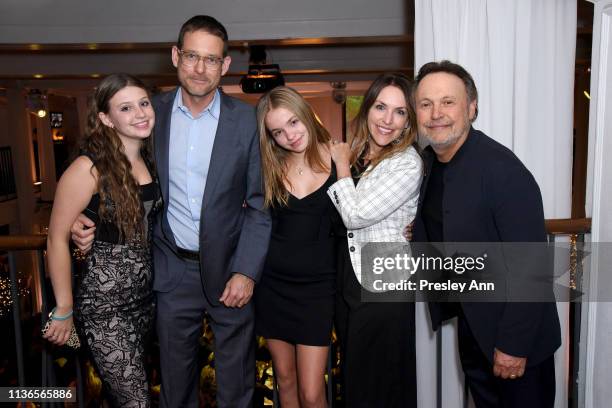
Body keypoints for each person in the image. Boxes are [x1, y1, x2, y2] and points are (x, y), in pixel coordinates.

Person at [71, 15, 271, 408]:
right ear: (176, 56)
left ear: (225, 66)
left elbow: (259, 204)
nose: (200, 68)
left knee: (236, 387)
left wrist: (246, 270)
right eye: (192, 56)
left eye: (211, 59)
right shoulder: (150, 112)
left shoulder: (247, 121)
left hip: (231, 270)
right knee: (175, 388)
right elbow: (109, 163)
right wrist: (84, 214)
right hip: (171, 270)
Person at [411, 60, 561, 407]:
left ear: (472, 108)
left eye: (448, 102)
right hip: (474, 327)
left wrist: (512, 346)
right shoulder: (430, 163)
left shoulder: (502, 170)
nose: (437, 113)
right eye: (426, 103)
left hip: (516, 340)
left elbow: (533, 268)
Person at [45, 73, 159, 406]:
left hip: (145, 303)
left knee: (123, 396)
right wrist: (64, 307)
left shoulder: (149, 158)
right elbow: (55, 238)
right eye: (126, 108)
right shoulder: (87, 168)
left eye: (143, 103)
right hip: (105, 308)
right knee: (137, 401)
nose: (140, 113)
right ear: (106, 118)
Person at [327, 72, 423, 407]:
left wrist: (339, 165)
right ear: (367, 108)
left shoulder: (407, 162)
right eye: (381, 107)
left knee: (381, 385)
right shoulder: (358, 154)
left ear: (408, 120)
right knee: (356, 379)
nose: (387, 120)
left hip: (384, 285)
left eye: (399, 112)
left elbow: (355, 215)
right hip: (349, 280)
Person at [254, 86, 342, 408]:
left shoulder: (338, 158)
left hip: (318, 291)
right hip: (273, 287)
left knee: (312, 391)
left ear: (305, 113)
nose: (289, 136)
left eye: (293, 123)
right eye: (277, 131)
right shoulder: (268, 170)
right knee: (285, 380)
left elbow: (364, 211)